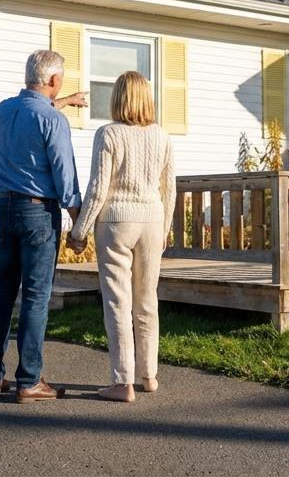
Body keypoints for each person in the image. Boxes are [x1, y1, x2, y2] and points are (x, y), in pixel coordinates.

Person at [0, 49, 86, 403]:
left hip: (3, 207)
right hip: (38, 212)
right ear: (54, 80)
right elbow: (64, 173)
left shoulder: (4, 110)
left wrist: (65, 101)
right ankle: (29, 380)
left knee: (2, 294)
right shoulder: (53, 122)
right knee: (36, 296)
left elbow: (33, 113)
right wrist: (77, 220)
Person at [66, 71, 175, 403]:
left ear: (117, 99)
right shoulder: (162, 136)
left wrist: (79, 231)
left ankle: (122, 382)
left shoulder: (108, 133)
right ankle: (149, 375)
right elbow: (169, 189)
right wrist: (166, 228)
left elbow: (98, 189)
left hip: (116, 222)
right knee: (147, 300)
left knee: (118, 302)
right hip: (153, 221)